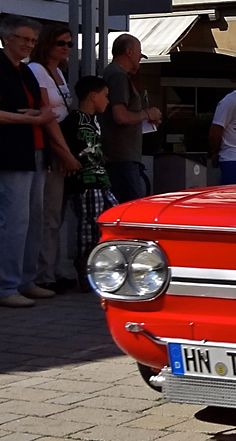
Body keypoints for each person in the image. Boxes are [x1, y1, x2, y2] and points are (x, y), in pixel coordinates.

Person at [0, 15, 60, 307]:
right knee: (14, 221)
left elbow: (42, 109)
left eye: (33, 40)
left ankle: (25, 281)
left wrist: (34, 116)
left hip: (36, 151)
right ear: (6, 38)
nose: (29, 44)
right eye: (24, 38)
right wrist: (26, 118)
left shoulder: (26, 72)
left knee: (34, 220)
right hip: (10, 153)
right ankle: (5, 286)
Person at [28, 23, 83, 293]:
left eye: (70, 44)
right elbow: (46, 115)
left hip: (63, 148)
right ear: (47, 44)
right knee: (48, 215)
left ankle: (52, 269)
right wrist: (65, 153)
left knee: (57, 216)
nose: (66, 49)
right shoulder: (37, 70)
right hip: (52, 148)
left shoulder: (60, 73)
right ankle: (43, 273)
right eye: (62, 43)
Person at [61, 76, 117, 291]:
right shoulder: (73, 121)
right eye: (105, 96)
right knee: (89, 226)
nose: (107, 101)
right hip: (84, 183)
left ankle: (101, 263)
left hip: (102, 180)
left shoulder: (95, 121)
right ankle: (85, 268)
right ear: (93, 96)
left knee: (113, 216)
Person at [100, 34, 161, 203]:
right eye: (139, 53)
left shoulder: (113, 73)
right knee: (129, 208)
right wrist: (147, 114)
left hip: (119, 155)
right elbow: (120, 116)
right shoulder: (118, 76)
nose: (140, 58)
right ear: (129, 51)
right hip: (121, 156)